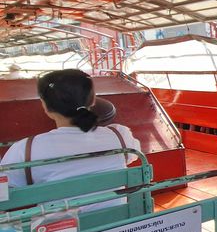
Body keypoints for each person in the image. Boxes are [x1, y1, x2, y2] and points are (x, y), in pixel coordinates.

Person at [1, 69, 140, 211]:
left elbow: (5, 193)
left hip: (59, 231)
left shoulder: (25, 150)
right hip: (117, 226)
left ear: (45, 106)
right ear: (93, 100)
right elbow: (132, 157)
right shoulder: (120, 135)